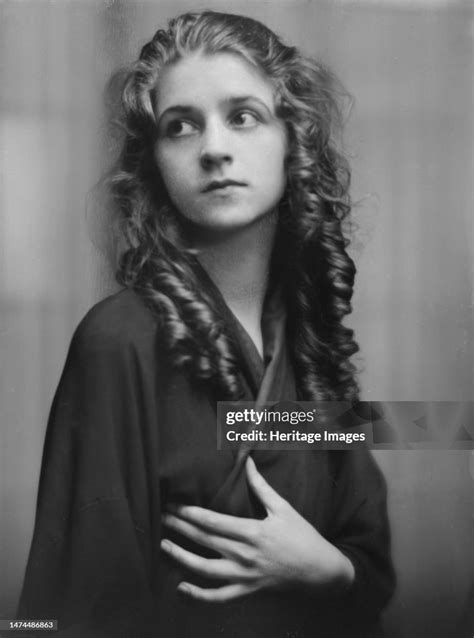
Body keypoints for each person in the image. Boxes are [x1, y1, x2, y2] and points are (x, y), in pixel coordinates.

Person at [18, 11, 395, 638]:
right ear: (156, 161)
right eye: (181, 126)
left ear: (291, 138)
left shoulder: (308, 346)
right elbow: (78, 599)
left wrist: (331, 571)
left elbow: (369, 555)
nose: (214, 147)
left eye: (243, 116)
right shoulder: (120, 338)